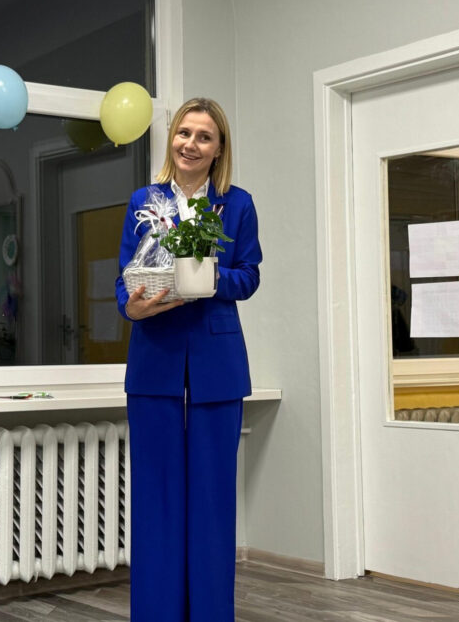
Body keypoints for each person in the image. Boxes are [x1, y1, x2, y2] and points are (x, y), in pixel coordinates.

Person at [115, 97, 261, 621]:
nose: (191, 144)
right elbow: (124, 281)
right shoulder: (143, 200)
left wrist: (210, 278)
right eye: (184, 133)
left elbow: (249, 275)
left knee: (212, 499)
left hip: (217, 366)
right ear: (171, 138)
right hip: (153, 361)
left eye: (204, 136)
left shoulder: (237, 204)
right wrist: (131, 307)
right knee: (155, 496)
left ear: (219, 149)